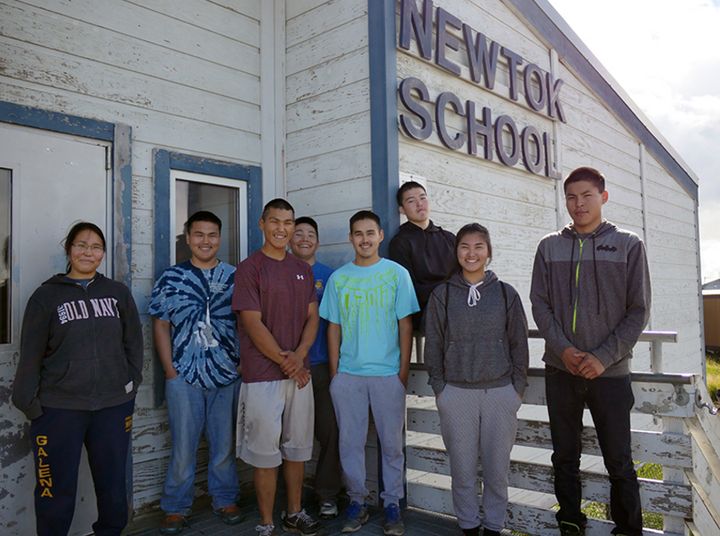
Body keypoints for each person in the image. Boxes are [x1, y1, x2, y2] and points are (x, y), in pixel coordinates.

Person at [530, 167, 651, 536]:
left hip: (610, 374)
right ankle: (570, 522)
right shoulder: (549, 246)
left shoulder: (629, 244)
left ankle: (628, 530)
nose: (578, 204)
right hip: (560, 371)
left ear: (603, 197)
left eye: (586, 195)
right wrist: (564, 350)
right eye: (571, 197)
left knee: (619, 460)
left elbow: (639, 310)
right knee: (564, 457)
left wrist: (603, 356)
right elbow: (539, 303)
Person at [12, 221, 143, 536]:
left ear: (103, 254)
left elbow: (134, 344)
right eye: (81, 244)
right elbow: (30, 354)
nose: (89, 251)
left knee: (112, 487)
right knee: (54, 492)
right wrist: (30, 404)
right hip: (59, 409)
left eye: (96, 246)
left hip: (112, 407)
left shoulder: (117, 293)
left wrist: (130, 386)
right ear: (69, 249)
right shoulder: (46, 297)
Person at [424, 223, 528, 536]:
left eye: (478, 246)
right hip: (456, 393)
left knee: (497, 470)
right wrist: (441, 389)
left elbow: (519, 343)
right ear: (456, 253)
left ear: (489, 252)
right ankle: (468, 526)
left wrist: (517, 389)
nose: (472, 253)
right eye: (465, 247)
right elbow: (435, 344)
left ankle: (494, 526)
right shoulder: (442, 295)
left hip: (500, 393)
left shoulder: (506, 293)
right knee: (463, 470)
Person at [320, 210, 419, 536]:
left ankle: (392, 506)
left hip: (388, 374)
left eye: (370, 233)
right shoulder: (339, 278)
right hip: (349, 375)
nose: (364, 239)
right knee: (350, 444)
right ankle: (357, 503)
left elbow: (406, 325)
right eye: (358, 233)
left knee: (391, 445)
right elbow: (333, 328)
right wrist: (336, 374)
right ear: (351, 238)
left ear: (379, 236)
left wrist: (401, 372)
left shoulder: (397, 274)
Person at [148, 211, 242, 534]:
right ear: (187, 238)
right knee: (183, 446)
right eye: (198, 234)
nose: (206, 241)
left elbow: (248, 322)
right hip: (183, 375)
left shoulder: (235, 277)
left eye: (212, 234)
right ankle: (176, 507)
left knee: (224, 445)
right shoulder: (171, 278)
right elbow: (160, 324)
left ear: (220, 237)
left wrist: (240, 363)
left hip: (227, 374)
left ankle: (225, 498)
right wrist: (169, 370)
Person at [233, 199, 321, 536]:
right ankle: (267, 522)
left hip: (299, 375)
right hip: (262, 376)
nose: (281, 228)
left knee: (297, 449)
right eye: (275, 221)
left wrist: (300, 354)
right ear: (262, 224)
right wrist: (290, 363)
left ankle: (294, 513)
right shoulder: (249, 268)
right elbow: (253, 325)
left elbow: (312, 317)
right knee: (265, 455)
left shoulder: (302, 269)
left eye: (287, 222)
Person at [289, 216, 342, 519]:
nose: (305, 238)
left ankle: (327, 494)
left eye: (311, 234)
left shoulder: (330, 277)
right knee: (289, 435)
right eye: (299, 234)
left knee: (330, 431)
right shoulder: (280, 272)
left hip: (322, 366)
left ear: (318, 242)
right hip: (287, 367)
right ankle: (291, 498)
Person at [389, 181, 455, 331]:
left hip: (457, 304)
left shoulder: (449, 238)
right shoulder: (400, 243)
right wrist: (445, 292)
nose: (419, 204)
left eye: (423, 198)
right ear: (402, 209)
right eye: (411, 201)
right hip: (426, 310)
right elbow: (408, 289)